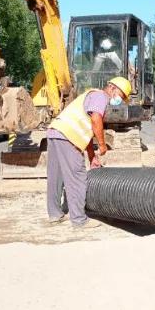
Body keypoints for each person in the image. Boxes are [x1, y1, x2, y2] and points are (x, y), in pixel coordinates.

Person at [45, 77, 132, 228]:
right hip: (68, 137)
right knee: (77, 177)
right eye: (121, 95)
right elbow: (96, 120)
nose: (120, 99)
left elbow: (87, 132)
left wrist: (92, 156)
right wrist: (102, 145)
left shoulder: (91, 95)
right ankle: (79, 220)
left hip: (55, 133)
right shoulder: (100, 96)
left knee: (56, 176)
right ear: (112, 88)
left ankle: (55, 214)